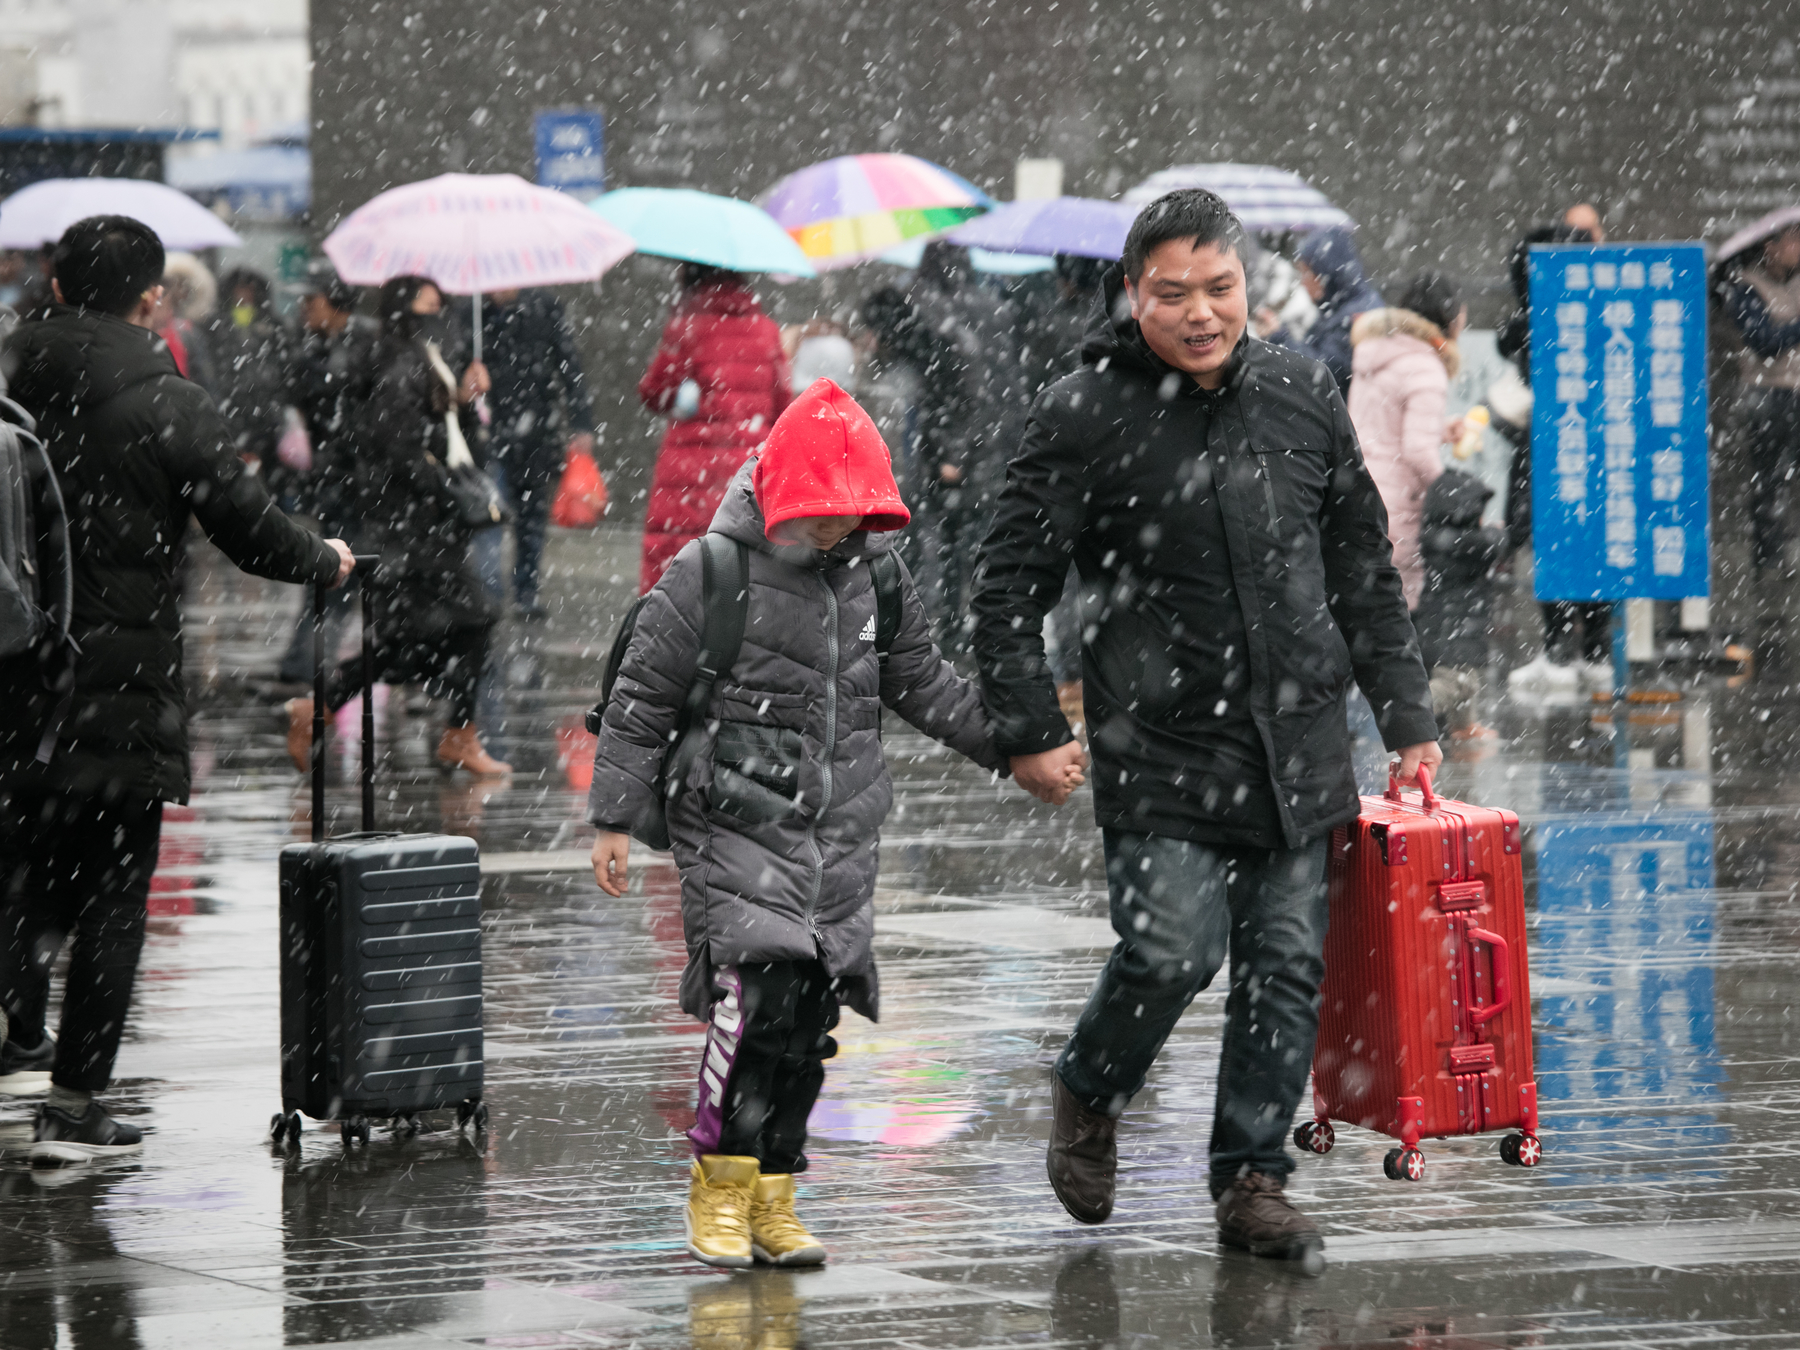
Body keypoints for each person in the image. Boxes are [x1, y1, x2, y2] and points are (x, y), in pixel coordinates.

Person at [971, 189, 1440, 1265]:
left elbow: (1362, 565)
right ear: (1133, 292)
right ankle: (1090, 1088)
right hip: (1159, 740)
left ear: (1248, 285)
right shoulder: (1083, 411)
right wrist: (1029, 725)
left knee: (1283, 968)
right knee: (1172, 951)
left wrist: (1406, 711)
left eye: (1218, 289)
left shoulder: (1301, 389)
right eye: (1171, 293)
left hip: (1298, 738)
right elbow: (1006, 586)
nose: (1199, 313)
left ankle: (1252, 1182)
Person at [587, 379, 1023, 1269]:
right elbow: (638, 704)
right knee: (754, 1008)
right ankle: (719, 1186)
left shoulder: (876, 577)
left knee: (809, 1023)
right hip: (734, 820)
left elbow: (925, 684)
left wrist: (1016, 747)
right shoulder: (709, 573)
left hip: (840, 832)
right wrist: (614, 820)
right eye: (823, 514)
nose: (837, 532)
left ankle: (777, 1192)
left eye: (854, 515)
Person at [0, 215, 354, 1158]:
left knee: (25, 885)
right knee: (113, 897)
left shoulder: (7, 385)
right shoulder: (166, 399)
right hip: (117, 691)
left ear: (61, 288)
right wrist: (324, 558)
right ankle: (74, 1109)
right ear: (150, 298)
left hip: (10, 686)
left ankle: (14, 1031)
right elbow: (247, 528)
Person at [282, 275, 509, 777]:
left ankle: (321, 708)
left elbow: (462, 446)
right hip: (407, 529)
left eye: (441, 304)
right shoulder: (394, 362)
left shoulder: (429, 357)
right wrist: (445, 487)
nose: (440, 312)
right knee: (473, 620)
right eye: (429, 305)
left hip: (433, 526)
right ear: (405, 309)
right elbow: (398, 450)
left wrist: (468, 402)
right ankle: (457, 733)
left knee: (408, 643)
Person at [895, 242, 1036, 651]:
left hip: (955, 447)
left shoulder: (944, 315)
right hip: (997, 440)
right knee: (982, 540)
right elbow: (1005, 380)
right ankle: (986, 627)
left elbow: (965, 388)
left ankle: (952, 629)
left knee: (945, 541)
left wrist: (953, 452)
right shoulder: (995, 307)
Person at [1496, 221, 1611, 694]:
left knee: (1555, 543)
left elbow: (1513, 340)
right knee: (1590, 544)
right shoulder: (1598, 308)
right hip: (1593, 450)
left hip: (1554, 448)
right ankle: (1594, 651)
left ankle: (1560, 650)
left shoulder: (1542, 316)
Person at [638, 264, 791, 593]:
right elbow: (783, 406)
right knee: (742, 561)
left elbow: (653, 392)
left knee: (677, 557)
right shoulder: (766, 330)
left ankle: (674, 632)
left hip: (688, 471)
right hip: (748, 470)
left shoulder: (687, 326)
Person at [276, 261, 377, 684]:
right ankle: (305, 664)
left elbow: (353, 409)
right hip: (336, 484)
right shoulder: (315, 345)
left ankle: (308, 666)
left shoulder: (367, 345)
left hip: (364, 486)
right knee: (333, 575)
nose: (304, 308)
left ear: (336, 303)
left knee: (340, 575)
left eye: (311, 300)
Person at [475, 287, 599, 617]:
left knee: (529, 519)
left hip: (534, 435)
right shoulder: (475, 313)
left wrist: (581, 422)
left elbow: (570, 367)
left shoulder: (544, 309)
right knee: (488, 516)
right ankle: (490, 593)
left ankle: (523, 590)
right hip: (489, 433)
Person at [1346, 271, 1464, 610]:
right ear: (1450, 318)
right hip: (1398, 511)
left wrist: (1440, 429)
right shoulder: (1425, 367)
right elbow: (1416, 451)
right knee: (1398, 616)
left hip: (1358, 497)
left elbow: (1381, 427)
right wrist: (1454, 500)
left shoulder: (1376, 354)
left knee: (1362, 615)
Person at [1717, 223, 1800, 677]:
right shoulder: (1746, 288)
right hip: (1768, 396)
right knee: (1769, 486)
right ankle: (1768, 567)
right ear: (1770, 247)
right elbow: (1763, 341)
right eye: (1793, 241)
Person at [1417, 468, 1510, 739]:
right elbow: (1496, 544)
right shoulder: (1462, 542)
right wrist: (1496, 531)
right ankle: (1411, 719)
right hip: (1455, 629)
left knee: (1467, 680)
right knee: (1455, 683)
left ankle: (1463, 726)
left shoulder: (1437, 537)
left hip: (1445, 626)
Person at [1254, 224, 1384, 394]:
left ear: (1328, 272)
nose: (1303, 281)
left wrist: (1279, 337)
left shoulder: (1356, 316)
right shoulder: (1336, 309)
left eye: (1307, 273)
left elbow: (1322, 374)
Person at [210, 268, 294, 501]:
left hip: (267, 418)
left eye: (249, 289)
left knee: (269, 482)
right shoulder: (217, 325)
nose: (243, 295)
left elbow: (283, 369)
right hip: (232, 414)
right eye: (239, 289)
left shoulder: (273, 326)